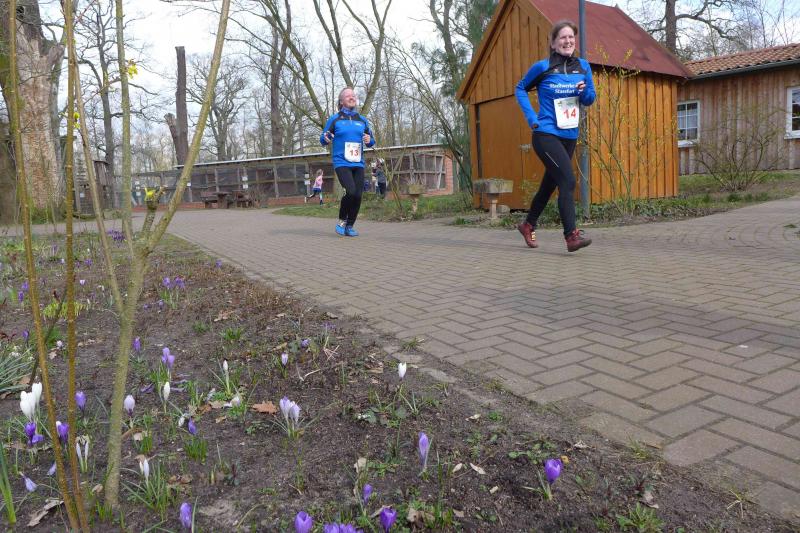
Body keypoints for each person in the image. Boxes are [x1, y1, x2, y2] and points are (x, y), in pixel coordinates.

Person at [514, 20, 596, 252]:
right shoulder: (542, 67)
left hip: (569, 135)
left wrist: (584, 92)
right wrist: (531, 117)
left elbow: (590, 99)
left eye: (571, 37)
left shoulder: (583, 67)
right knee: (567, 181)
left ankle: (528, 225)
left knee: (549, 185)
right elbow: (520, 88)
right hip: (546, 134)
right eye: (562, 37)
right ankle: (571, 236)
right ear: (553, 43)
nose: (568, 41)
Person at [320, 87, 375, 237]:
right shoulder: (335, 119)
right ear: (341, 101)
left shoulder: (362, 120)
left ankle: (350, 225)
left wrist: (369, 140)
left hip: (358, 163)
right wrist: (326, 138)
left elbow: (371, 141)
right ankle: (342, 221)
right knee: (350, 191)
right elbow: (323, 139)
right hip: (341, 162)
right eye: (348, 96)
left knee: (358, 195)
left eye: (353, 95)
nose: (352, 97)